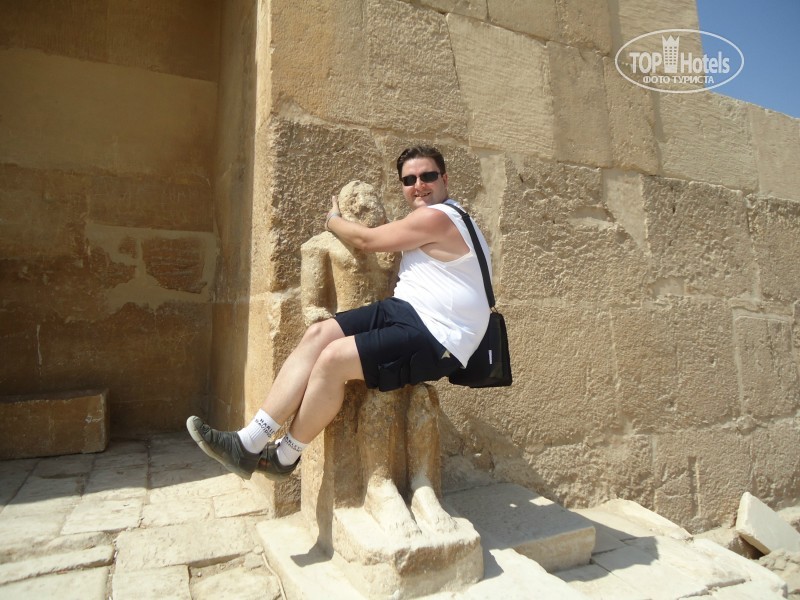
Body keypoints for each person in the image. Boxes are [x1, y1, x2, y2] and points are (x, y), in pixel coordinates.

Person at [186, 146, 492, 481]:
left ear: (445, 179)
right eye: (409, 180)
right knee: (319, 334)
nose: (418, 185)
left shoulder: (439, 217)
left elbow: (367, 240)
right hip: (406, 311)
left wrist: (333, 221)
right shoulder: (436, 217)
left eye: (428, 176)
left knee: (333, 359)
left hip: (441, 335)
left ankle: (284, 456)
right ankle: (248, 442)